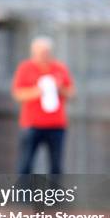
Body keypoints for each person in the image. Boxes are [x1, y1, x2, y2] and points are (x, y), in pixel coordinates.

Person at [12, 36, 75, 175]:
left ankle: (54, 196)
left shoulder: (59, 68)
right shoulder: (25, 68)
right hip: (32, 125)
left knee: (56, 166)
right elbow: (18, 94)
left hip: (56, 126)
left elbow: (71, 93)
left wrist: (59, 88)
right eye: (40, 52)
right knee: (26, 164)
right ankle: (25, 195)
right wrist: (38, 91)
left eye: (46, 52)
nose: (43, 56)